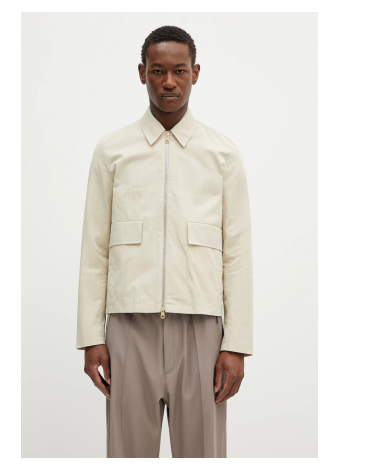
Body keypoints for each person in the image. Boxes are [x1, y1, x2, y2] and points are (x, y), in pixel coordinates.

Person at [76, 25, 253, 458]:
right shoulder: (113, 151)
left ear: (195, 73)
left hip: (201, 330)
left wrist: (236, 344)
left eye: (179, 71)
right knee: (127, 455)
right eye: (157, 71)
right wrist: (91, 336)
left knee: (203, 455)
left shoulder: (222, 154)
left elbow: (237, 254)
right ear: (142, 73)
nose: (168, 82)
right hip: (128, 329)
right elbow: (94, 248)